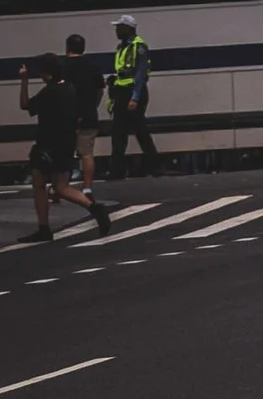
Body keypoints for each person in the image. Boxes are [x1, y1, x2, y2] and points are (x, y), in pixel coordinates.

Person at [16, 55, 111, 238]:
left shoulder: (49, 92)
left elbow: (25, 105)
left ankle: (43, 228)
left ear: (47, 73)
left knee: (39, 183)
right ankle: (95, 208)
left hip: (46, 143)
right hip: (66, 142)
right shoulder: (69, 89)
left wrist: (24, 81)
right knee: (61, 186)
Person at [105, 17, 160, 172]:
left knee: (139, 131)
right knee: (119, 132)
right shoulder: (121, 47)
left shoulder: (138, 45)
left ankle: (155, 167)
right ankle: (117, 170)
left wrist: (135, 97)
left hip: (133, 92)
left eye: (119, 27)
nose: (116, 30)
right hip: (122, 92)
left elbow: (141, 73)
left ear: (129, 28)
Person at [61, 32, 105, 193]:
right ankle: (87, 187)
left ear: (67, 48)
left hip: (67, 117)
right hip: (88, 115)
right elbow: (100, 90)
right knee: (87, 153)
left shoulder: (62, 67)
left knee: (64, 154)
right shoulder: (93, 67)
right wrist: (92, 106)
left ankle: (61, 186)